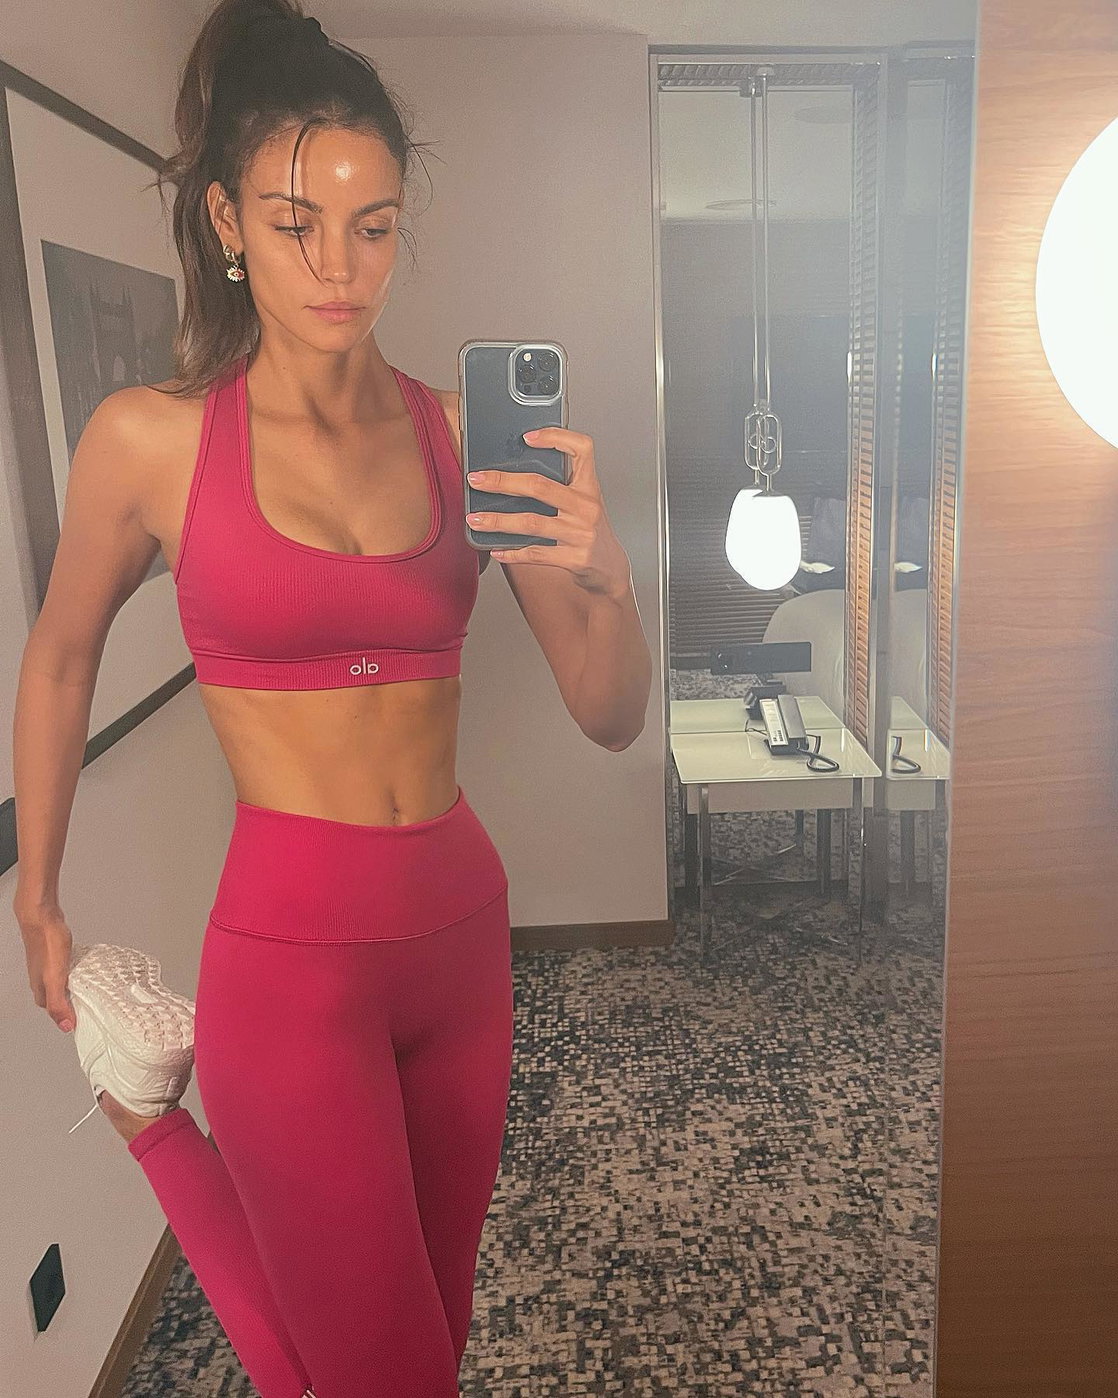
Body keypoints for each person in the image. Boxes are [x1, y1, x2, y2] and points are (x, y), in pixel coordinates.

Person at [10, 2, 652, 1395]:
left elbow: (609, 714)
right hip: (291, 964)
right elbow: (60, 654)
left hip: (461, 936)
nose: (337, 265)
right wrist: (39, 891)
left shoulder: (463, 435)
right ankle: (154, 1123)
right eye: (295, 223)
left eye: (372, 226)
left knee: (423, 1345)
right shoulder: (151, 439)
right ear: (228, 222)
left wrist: (606, 574)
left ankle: (145, 1114)